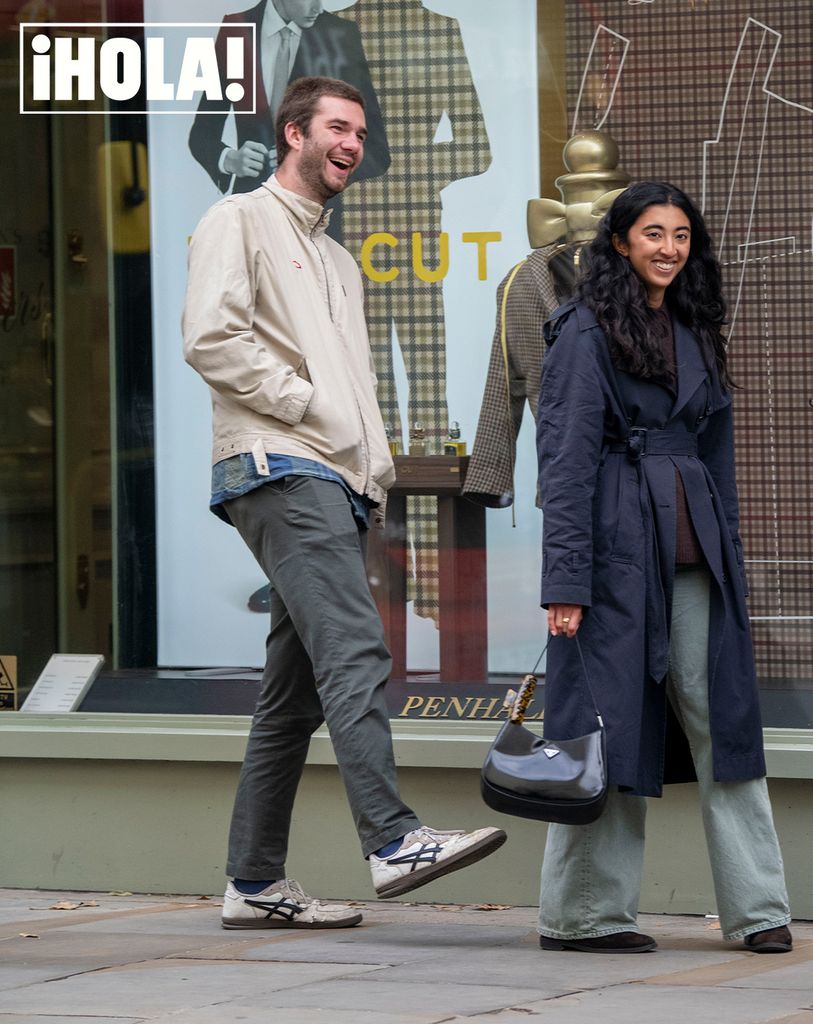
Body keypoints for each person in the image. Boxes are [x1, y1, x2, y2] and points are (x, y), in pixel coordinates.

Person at [182, 76, 505, 930]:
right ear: (294, 133)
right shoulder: (237, 220)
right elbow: (209, 337)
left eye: (360, 132)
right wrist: (303, 405)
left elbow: (351, 383)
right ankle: (393, 838)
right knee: (357, 650)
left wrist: (373, 471)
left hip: (337, 479)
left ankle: (253, 883)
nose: (352, 143)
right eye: (337, 127)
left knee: (289, 699)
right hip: (278, 466)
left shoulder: (335, 257)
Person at [535, 181, 792, 954]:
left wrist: (731, 560)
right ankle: (582, 916)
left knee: (727, 722)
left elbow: (716, 459)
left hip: (694, 561)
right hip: (614, 558)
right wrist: (565, 584)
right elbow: (565, 462)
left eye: (681, 235)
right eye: (653, 233)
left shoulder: (695, 328)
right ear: (619, 242)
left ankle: (758, 910)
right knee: (607, 727)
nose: (669, 248)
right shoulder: (582, 332)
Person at [188, 0, 389, 240]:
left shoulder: (339, 34)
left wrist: (316, 163)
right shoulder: (236, 28)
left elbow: (377, 149)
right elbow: (202, 134)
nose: (318, 7)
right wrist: (230, 159)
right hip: (252, 211)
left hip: (316, 218)